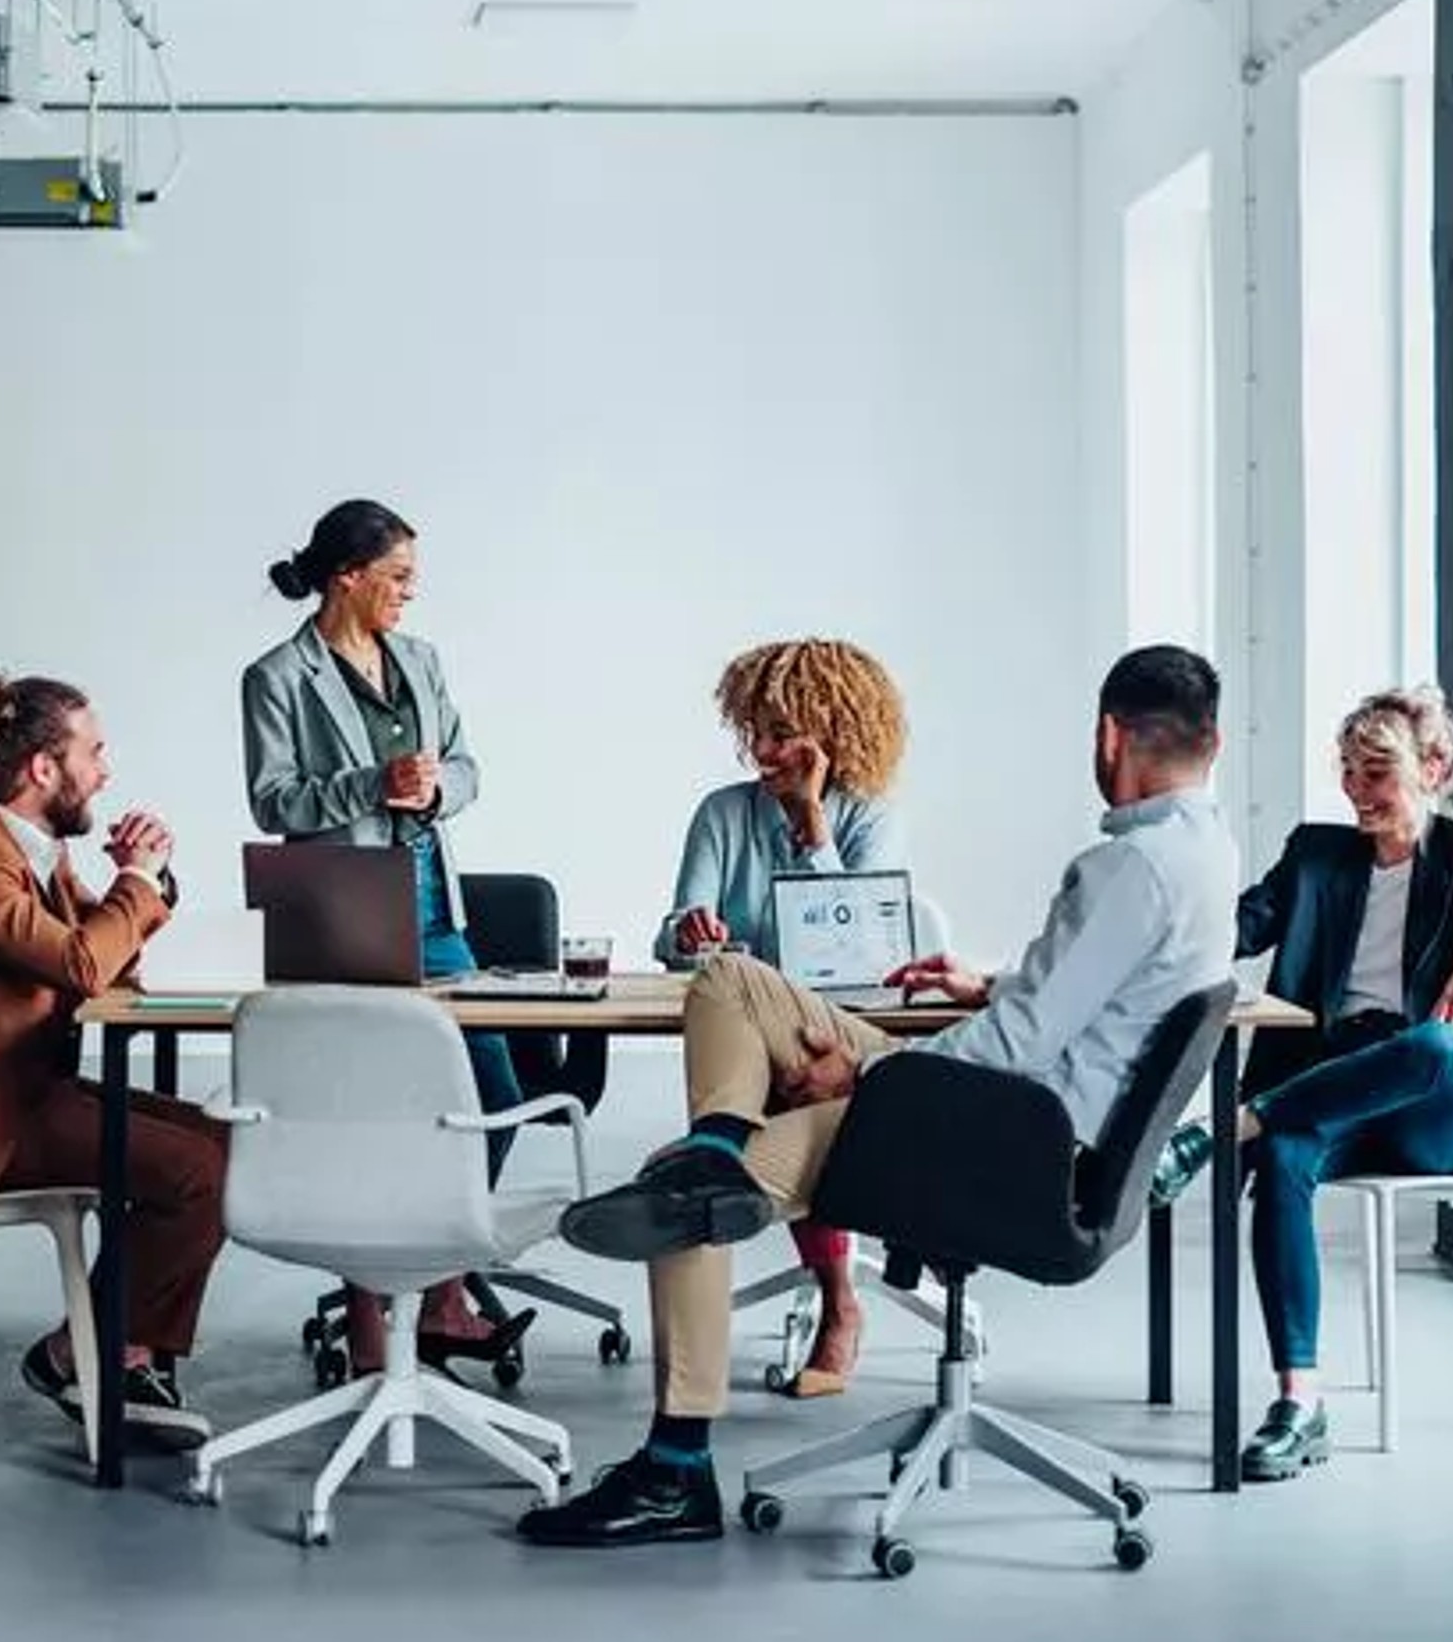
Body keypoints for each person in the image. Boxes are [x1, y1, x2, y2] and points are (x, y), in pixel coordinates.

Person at [519, 646, 1240, 1550]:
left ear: (1108, 736)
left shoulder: (1125, 869)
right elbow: (1091, 999)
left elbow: (1015, 1049)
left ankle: (675, 1472)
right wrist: (991, 985)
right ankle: (718, 1146)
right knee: (731, 981)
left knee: (677, 1208)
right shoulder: (1205, 851)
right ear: (1211, 743)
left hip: (1006, 1137)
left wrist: (864, 1077)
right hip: (1036, 1123)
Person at [1150, 684, 1453, 1481]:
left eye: (1375, 772)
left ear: (1432, 770)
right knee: (1284, 1157)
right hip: (1333, 1086)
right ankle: (1298, 1403)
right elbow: (1236, 928)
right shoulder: (1318, 856)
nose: (1355, 790)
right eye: (1347, 770)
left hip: (1430, 1106)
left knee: (1436, 1046)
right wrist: (1173, 896)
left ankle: (1228, 1127)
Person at [0, 665, 226, 1450]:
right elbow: (86, 964)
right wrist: (135, 881)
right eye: (94, 751)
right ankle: (91, 1359)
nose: (106, 770)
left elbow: (104, 948)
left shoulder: (26, 848)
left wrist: (146, 884)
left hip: (19, 1091)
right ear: (43, 769)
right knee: (202, 1172)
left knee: (222, 1144)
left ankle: (109, 1351)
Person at [238, 496, 525, 1374]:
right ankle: (368, 1305)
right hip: (341, 907)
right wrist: (371, 784)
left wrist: (434, 791)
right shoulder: (278, 677)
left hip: (433, 901)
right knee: (362, 1108)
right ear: (347, 577)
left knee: (489, 1090)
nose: (410, 591)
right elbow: (273, 801)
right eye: (397, 576)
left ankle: (438, 1291)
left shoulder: (422, 660)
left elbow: (468, 767)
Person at [657, 637, 914, 1398]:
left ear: (832, 738)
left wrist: (812, 824)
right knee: (773, 1073)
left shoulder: (870, 819)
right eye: (756, 733)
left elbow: (860, 949)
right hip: (745, 1024)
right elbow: (672, 937)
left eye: (781, 735)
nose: (763, 752)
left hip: (833, 1023)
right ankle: (827, 1288)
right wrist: (687, 932)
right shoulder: (722, 813)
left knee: (798, 1073)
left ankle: (836, 1299)